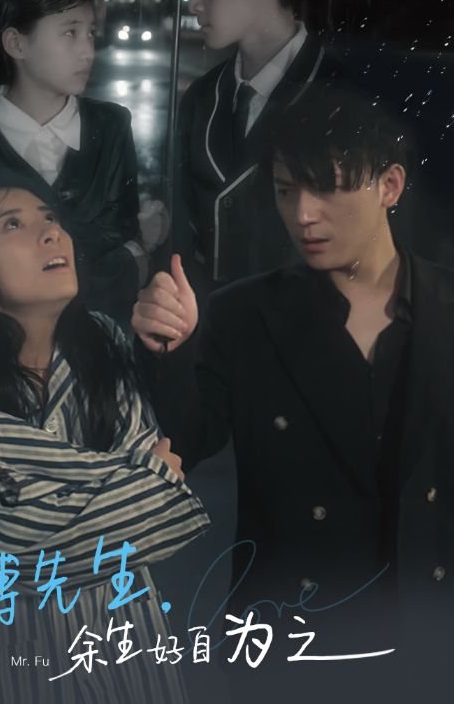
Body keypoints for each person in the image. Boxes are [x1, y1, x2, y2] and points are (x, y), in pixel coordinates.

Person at [133, 88, 453, 700]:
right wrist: (169, 349)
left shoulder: (446, 306)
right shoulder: (244, 314)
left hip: (430, 637)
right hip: (292, 639)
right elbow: (187, 441)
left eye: (327, 188)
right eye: (285, 190)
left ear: (389, 185)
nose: (303, 214)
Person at [0, 178, 210, 704]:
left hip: (120, 650)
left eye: (49, 217)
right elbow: (9, 542)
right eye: (13, 225)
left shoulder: (104, 338)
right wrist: (147, 480)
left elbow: (160, 521)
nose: (50, 233)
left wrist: (2, 444)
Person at [0, 0, 147, 326]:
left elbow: (121, 228)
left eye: (90, 33)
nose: (88, 51)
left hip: (101, 332)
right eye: (70, 33)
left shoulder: (111, 124)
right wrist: (126, 263)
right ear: (16, 43)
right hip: (7, 340)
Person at [176, 0, 342, 296]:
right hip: (206, 321)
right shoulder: (201, 97)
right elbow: (183, 226)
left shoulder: (339, 91)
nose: (194, 2)